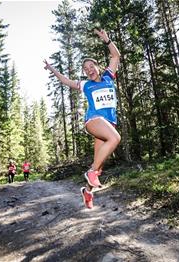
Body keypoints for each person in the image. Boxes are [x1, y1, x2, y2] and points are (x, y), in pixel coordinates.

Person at [44, 28, 121, 209]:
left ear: (97, 67)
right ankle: (90, 174)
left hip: (107, 124)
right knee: (115, 138)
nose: (88, 70)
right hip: (94, 120)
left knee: (98, 168)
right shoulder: (85, 84)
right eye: (85, 69)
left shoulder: (109, 76)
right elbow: (66, 81)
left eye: (91, 67)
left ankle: (87, 192)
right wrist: (52, 69)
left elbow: (115, 56)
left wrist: (107, 40)